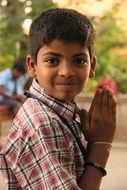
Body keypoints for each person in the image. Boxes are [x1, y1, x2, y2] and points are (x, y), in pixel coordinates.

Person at [0, 8, 116, 190]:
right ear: (32, 66)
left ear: (91, 66)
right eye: (53, 61)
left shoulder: (59, 111)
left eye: (79, 61)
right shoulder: (43, 123)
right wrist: (102, 146)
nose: (66, 72)